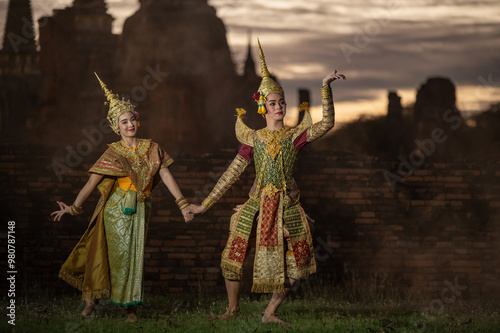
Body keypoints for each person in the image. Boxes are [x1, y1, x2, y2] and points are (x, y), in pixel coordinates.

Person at [191, 39, 346, 326]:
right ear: (262, 106)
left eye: (282, 102)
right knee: (232, 255)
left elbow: (326, 124)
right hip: (256, 204)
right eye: (273, 103)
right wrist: (204, 205)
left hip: (286, 205)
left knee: (291, 264)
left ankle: (270, 313)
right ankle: (232, 309)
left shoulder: (294, 137)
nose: (279, 106)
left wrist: (325, 87)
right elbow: (231, 173)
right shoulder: (252, 139)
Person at [51, 74, 195, 323]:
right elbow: (91, 183)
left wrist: (182, 204)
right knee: (111, 256)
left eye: (132, 119)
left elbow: (166, 175)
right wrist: (73, 208)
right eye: (123, 122)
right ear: (116, 127)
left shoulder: (152, 147)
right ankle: (91, 302)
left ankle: (131, 310)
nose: (129, 124)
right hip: (115, 210)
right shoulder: (112, 152)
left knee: (135, 257)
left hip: (141, 208)